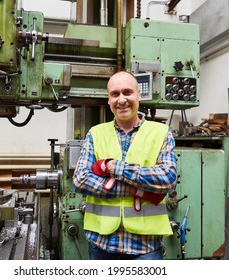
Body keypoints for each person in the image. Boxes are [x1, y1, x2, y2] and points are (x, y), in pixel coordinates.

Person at [72, 71, 178, 260]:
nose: (121, 100)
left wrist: (113, 167)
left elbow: (168, 179)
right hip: (101, 244)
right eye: (115, 94)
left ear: (138, 94)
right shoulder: (95, 133)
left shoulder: (161, 132)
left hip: (145, 247)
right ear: (108, 100)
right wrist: (135, 189)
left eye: (127, 92)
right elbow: (80, 180)